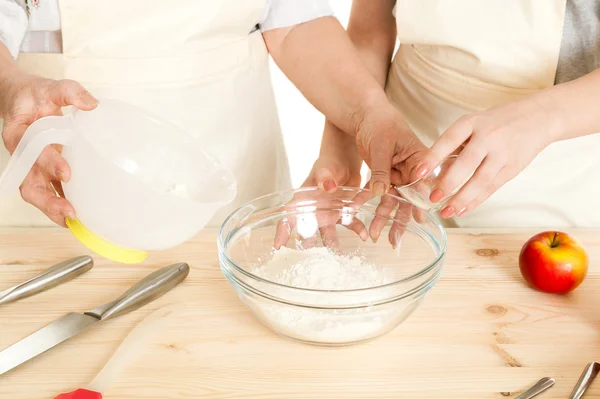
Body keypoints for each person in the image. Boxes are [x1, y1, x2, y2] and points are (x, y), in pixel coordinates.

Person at [0, 0, 415, 229]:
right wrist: (9, 85)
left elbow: (291, 21)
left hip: (233, 168)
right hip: (58, 174)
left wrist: (369, 113)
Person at [305, 0, 600, 229]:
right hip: (402, 162)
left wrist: (541, 116)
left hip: (556, 173)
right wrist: (349, 139)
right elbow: (368, 31)